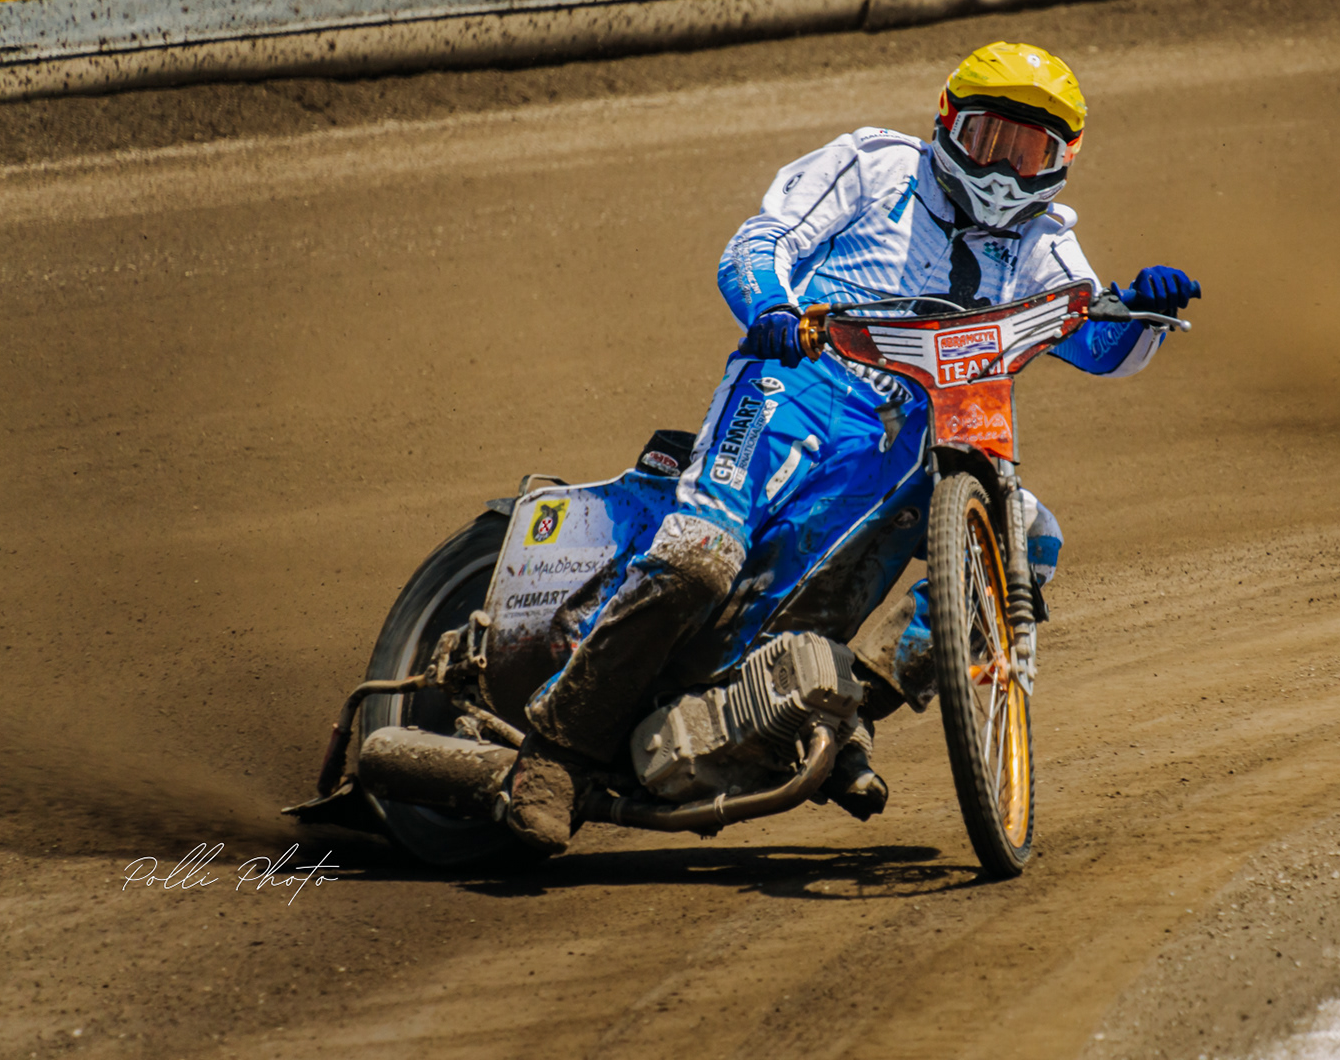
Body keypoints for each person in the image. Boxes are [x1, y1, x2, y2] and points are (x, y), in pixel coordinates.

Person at [502, 42, 1201, 853]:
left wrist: (1143, 309)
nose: (1002, 170)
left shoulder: (1043, 243)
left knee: (1031, 538)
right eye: (987, 139)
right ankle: (552, 755)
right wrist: (771, 306)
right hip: (794, 387)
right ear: (948, 123)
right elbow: (759, 241)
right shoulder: (874, 166)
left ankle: (844, 704)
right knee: (700, 559)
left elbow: (1094, 342)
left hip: (910, 442)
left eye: (1027, 151)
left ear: (1062, 160)